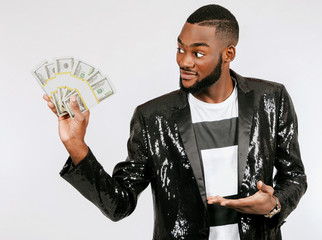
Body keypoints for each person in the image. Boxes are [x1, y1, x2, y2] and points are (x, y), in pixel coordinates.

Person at [43, 4, 307, 240]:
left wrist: (274, 204)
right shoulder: (154, 118)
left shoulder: (271, 99)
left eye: (198, 53)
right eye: (180, 49)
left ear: (228, 54)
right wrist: (75, 145)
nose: (184, 61)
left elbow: (294, 177)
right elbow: (118, 205)